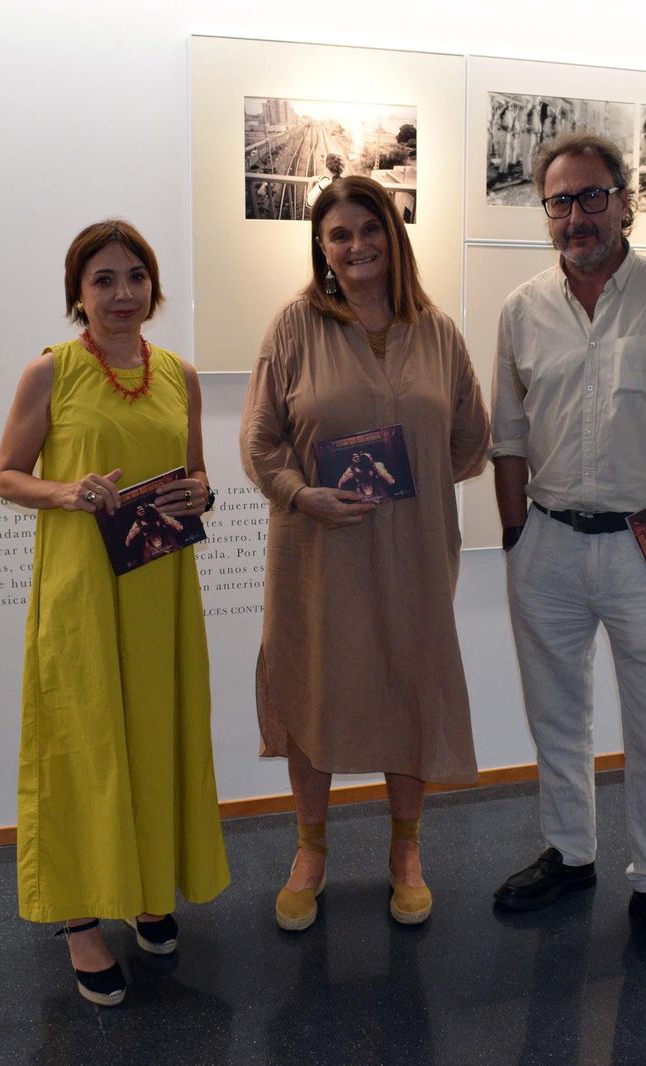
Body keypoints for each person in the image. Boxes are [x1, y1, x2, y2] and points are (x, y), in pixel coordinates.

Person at [488, 131, 646, 963]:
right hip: (550, 547)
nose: (577, 215)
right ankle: (571, 853)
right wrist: (516, 537)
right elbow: (507, 437)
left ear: (627, 201)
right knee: (557, 716)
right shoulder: (522, 310)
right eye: (560, 201)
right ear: (545, 214)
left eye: (593, 196)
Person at [240, 175, 490, 931]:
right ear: (321, 247)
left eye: (368, 229)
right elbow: (259, 442)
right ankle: (310, 851)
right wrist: (302, 493)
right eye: (338, 235)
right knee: (314, 683)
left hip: (412, 554)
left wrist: (404, 481)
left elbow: (471, 440)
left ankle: (405, 853)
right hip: (317, 549)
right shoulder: (294, 327)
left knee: (408, 685)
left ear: (393, 233)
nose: (356, 246)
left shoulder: (438, 331)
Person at [0, 219, 228, 1007]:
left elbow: (195, 473)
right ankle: (81, 919)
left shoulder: (179, 375)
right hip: (83, 586)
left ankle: (146, 886)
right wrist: (66, 490)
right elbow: (6, 475)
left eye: (135, 277)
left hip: (160, 584)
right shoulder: (50, 373)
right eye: (103, 280)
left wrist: (206, 491)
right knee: (85, 741)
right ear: (77, 293)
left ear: (153, 288)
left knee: (153, 735)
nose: (122, 293)